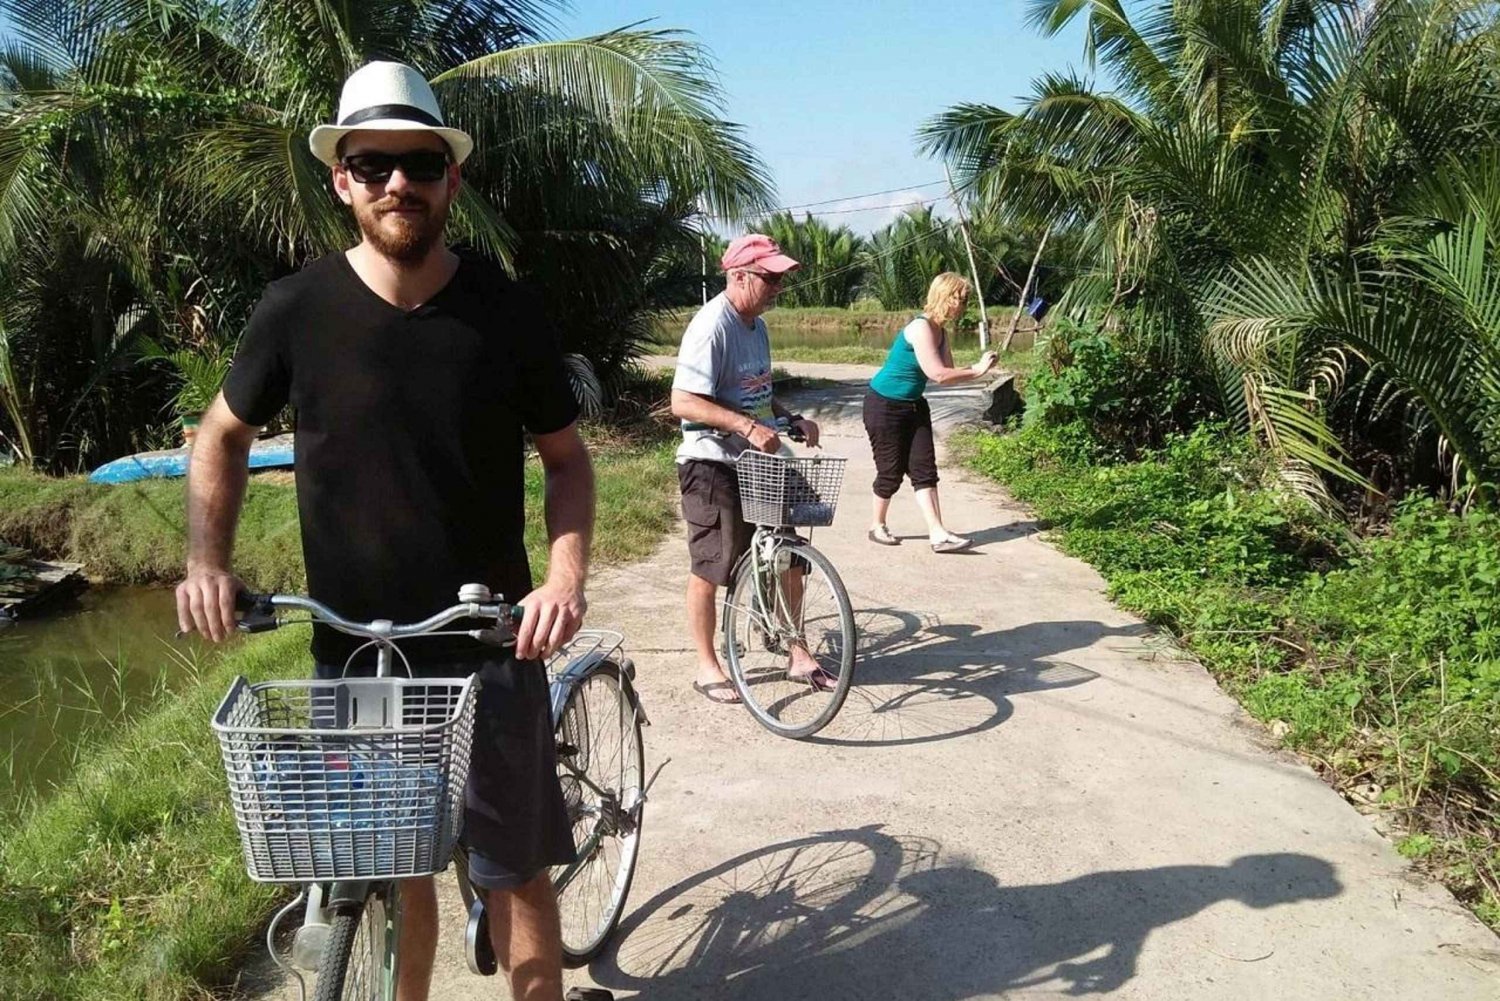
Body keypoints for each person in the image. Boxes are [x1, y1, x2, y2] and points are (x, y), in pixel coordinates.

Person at [174, 61, 598, 1001]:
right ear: (343, 180)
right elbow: (221, 435)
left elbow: (567, 461)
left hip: (488, 648)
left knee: (513, 868)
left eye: (418, 162)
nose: (397, 182)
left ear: (451, 177)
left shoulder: (505, 311)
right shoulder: (295, 311)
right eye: (374, 164)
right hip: (357, 658)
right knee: (398, 864)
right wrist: (207, 559)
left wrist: (562, 580)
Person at [670, 234, 828, 705]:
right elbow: (682, 400)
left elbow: (756, 391)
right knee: (714, 563)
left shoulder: (756, 326)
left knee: (789, 552)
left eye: (781, 278)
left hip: (759, 460)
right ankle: (707, 665)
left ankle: (796, 648)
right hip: (712, 461)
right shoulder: (711, 326)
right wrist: (744, 426)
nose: (778, 286)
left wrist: (789, 418)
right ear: (738, 276)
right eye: (770, 277)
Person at [862, 272, 996, 553]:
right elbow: (937, 374)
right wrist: (978, 370)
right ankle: (877, 525)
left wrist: (976, 367)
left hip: (914, 405)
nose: (963, 305)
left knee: (925, 470)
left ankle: (938, 533)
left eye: (965, 300)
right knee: (891, 471)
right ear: (944, 297)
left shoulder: (941, 331)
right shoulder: (920, 328)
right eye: (959, 299)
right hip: (884, 405)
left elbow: (949, 371)